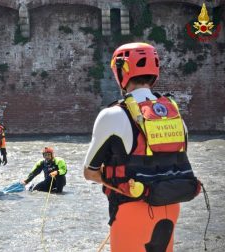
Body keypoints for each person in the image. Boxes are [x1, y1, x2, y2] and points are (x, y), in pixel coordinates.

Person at [83, 42, 197, 252]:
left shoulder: (113, 114)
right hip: (171, 207)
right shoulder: (174, 113)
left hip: (131, 210)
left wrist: (113, 180)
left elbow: (89, 172)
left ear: (122, 71)